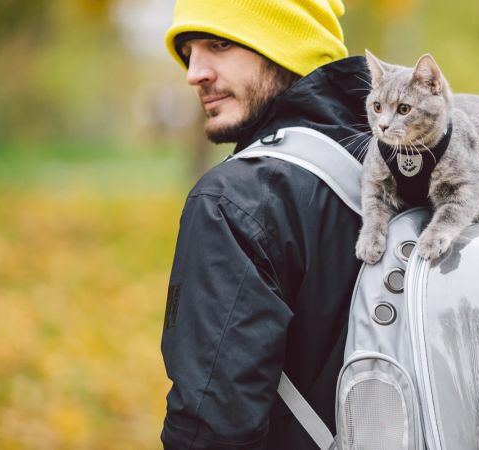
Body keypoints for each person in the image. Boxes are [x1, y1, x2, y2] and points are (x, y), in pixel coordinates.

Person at [159, 0, 371, 449]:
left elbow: (211, 431)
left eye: (218, 44)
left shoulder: (232, 200)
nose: (193, 74)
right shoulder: (400, 167)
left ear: (285, 47)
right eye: (188, 52)